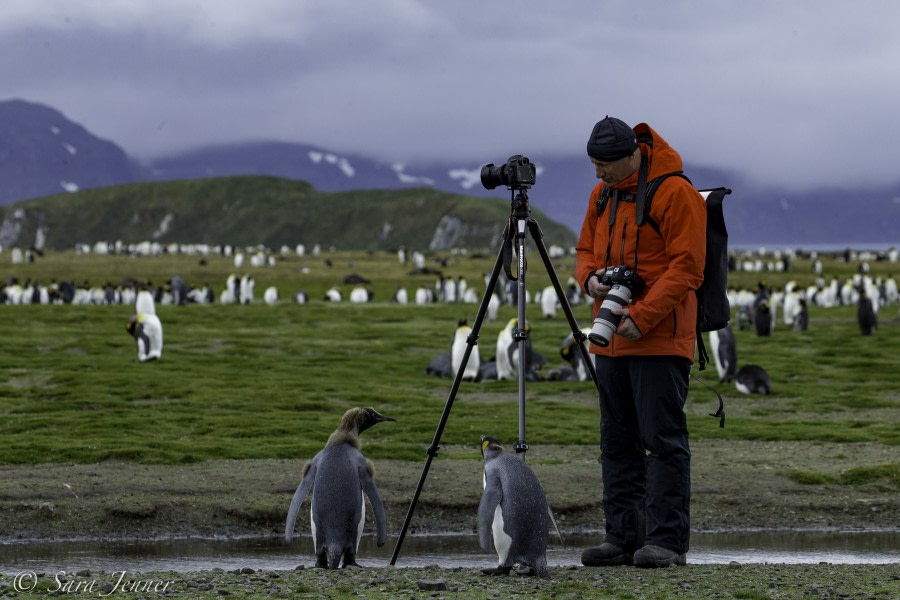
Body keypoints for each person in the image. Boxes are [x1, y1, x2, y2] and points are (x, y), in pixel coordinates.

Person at [574, 116, 706, 568]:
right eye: (593, 164)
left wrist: (643, 316)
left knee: (662, 440)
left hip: (659, 338)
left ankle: (667, 541)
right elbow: (584, 251)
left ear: (632, 154)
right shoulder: (601, 195)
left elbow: (688, 267)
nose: (598, 174)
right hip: (609, 339)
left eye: (604, 164)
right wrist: (589, 280)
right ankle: (622, 537)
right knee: (616, 441)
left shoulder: (674, 193)